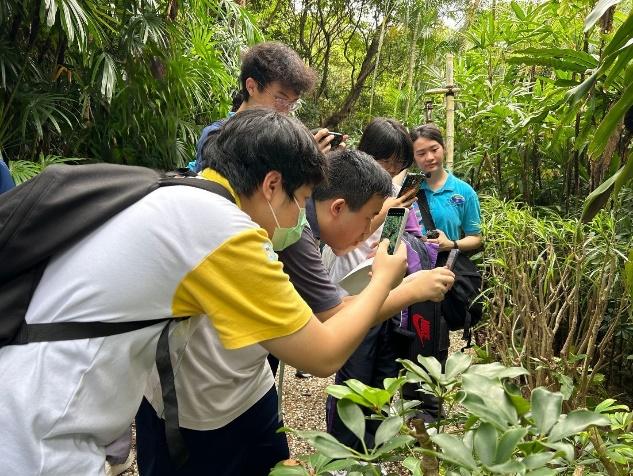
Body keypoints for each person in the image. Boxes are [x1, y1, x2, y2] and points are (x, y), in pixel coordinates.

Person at [0, 109, 410, 475]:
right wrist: (383, 280)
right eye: (299, 201)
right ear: (271, 185)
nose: (296, 220)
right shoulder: (223, 232)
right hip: (43, 433)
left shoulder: (178, 194)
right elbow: (322, 354)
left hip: (28, 396)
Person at [136, 147, 455, 476]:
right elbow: (325, 345)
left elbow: (330, 311)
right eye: (302, 197)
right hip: (194, 408)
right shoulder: (278, 234)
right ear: (271, 185)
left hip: (248, 389)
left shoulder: (273, 224)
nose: (302, 213)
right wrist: (395, 286)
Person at [323, 117, 432, 450]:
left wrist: (395, 218)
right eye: (387, 162)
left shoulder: (392, 193)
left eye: (397, 165)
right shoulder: (345, 185)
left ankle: (373, 449)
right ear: (368, 151)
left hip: (383, 291)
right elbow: (339, 242)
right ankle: (342, 453)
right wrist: (383, 213)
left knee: (383, 376)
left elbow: (388, 242)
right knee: (353, 377)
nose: (391, 171)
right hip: (349, 294)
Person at [190, 41, 340, 172]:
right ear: (251, 87)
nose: (286, 111)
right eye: (281, 100)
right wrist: (301, 166)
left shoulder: (284, 141)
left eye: (293, 104)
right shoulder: (217, 136)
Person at [410, 123, 482, 253]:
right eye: (421, 153)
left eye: (434, 149)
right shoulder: (408, 189)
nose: (430, 158)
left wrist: (451, 244)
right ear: (413, 158)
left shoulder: (464, 191)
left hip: (446, 267)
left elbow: (475, 237)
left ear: (444, 148)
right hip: (412, 268)